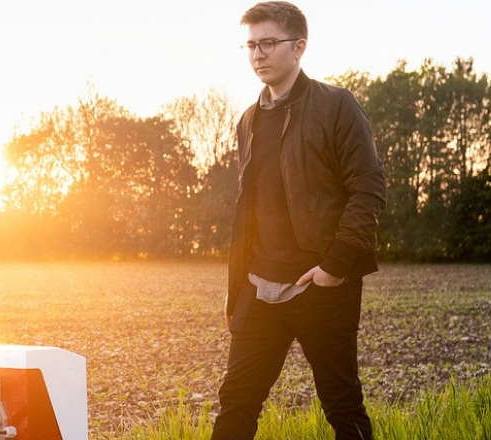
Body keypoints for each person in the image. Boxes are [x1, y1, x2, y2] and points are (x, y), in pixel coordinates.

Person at [212, 2, 385, 439]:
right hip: (260, 287)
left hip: (320, 285)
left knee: (341, 403)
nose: (257, 55)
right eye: (250, 45)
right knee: (236, 401)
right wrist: (239, 288)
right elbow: (249, 208)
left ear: (299, 47)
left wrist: (335, 266)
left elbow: (368, 188)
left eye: (268, 43)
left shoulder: (337, 106)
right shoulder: (248, 121)